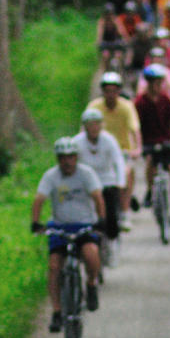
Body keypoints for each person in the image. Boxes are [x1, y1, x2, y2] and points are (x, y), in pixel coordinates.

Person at [31, 138, 105, 332]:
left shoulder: (86, 174)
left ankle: (91, 284)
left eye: (71, 157)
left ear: (76, 157)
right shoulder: (51, 176)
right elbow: (39, 199)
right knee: (54, 266)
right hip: (60, 227)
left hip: (83, 225)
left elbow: (98, 197)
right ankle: (57, 311)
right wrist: (35, 223)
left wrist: (101, 220)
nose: (67, 161)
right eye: (63, 158)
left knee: (91, 254)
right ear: (58, 159)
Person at [86, 72, 142, 231]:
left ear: (119, 91)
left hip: (123, 150)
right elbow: (84, 129)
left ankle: (125, 212)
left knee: (127, 173)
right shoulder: (94, 107)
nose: (110, 94)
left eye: (114, 90)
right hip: (101, 151)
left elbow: (134, 129)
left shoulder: (126, 106)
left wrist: (137, 148)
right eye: (107, 90)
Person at [134, 64, 170, 229]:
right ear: (148, 83)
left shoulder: (165, 99)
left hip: (166, 141)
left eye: (160, 82)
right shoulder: (140, 102)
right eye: (155, 83)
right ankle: (150, 190)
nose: (158, 86)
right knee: (150, 161)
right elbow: (135, 125)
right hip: (149, 141)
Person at [73, 108, 126, 264]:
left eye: (97, 124)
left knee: (110, 214)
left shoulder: (109, 140)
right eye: (90, 125)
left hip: (106, 181)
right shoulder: (77, 142)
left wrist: (120, 182)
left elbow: (118, 161)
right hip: (87, 183)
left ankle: (111, 243)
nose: (94, 128)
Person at [95, 3, 125, 72]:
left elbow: (121, 32)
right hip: (106, 42)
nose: (108, 15)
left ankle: (119, 71)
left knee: (118, 55)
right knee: (105, 56)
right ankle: (106, 70)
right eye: (107, 13)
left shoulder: (116, 20)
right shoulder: (102, 21)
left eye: (110, 13)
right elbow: (100, 33)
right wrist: (99, 41)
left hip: (115, 41)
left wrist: (123, 39)